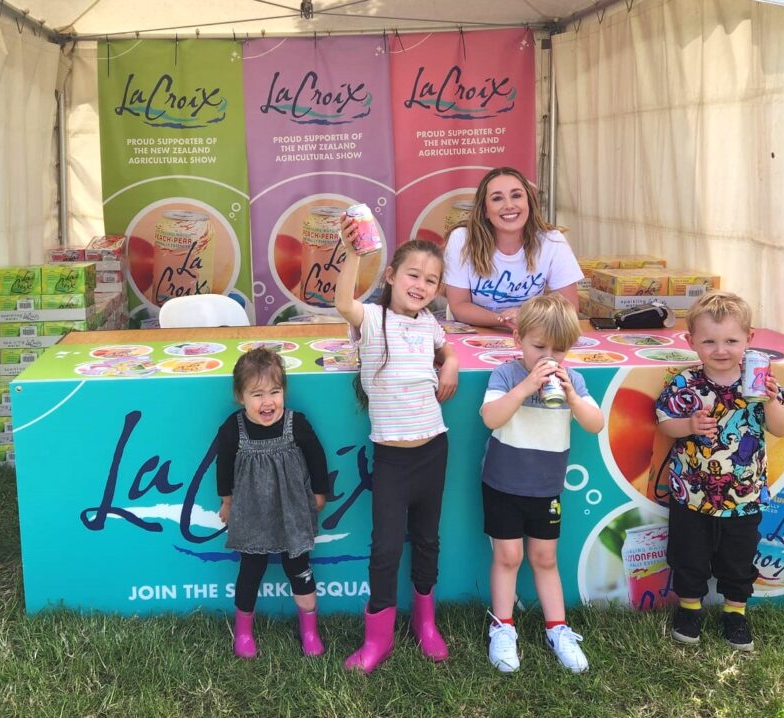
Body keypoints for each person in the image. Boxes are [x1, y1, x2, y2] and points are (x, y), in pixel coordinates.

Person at [334, 227, 459, 673]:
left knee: (427, 540)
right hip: (392, 458)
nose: (420, 285)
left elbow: (447, 350)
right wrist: (352, 254)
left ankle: (426, 624)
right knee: (385, 549)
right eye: (412, 274)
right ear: (390, 275)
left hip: (434, 450)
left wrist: (453, 365)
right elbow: (342, 303)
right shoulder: (370, 318)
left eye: (431, 280)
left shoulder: (429, 323)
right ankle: (378, 638)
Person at [655, 291, 784, 652]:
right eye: (709, 341)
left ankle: (736, 611)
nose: (721, 350)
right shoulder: (685, 384)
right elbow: (665, 423)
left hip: (744, 495)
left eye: (731, 340)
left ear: (749, 339)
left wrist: (773, 401)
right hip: (692, 493)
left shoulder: (760, 383)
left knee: (738, 557)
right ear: (691, 343)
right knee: (688, 555)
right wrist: (689, 426)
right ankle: (689, 609)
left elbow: (781, 429)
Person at [478, 293, 604, 674]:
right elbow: (490, 417)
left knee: (545, 558)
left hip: (546, 489)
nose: (549, 356)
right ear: (518, 341)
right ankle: (502, 628)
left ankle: (558, 629)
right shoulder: (506, 374)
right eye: (538, 347)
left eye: (559, 350)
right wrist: (526, 386)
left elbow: (595, 423)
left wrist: (570, 393)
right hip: (502, 484)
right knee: (508, 557)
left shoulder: (574, 380)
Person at [215, 348, 331, 659]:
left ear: (284, 392)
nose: (268, 402)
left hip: (292, 510)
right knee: (251, 568)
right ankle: (243, 632)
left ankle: (309, 629)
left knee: (299, 567)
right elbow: (223, 466)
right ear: (240, 397)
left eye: (275, 392)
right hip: (251, 512)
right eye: (257, 394)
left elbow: (317, 457)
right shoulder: (232, 429)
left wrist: (320, 493)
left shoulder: (297, 424)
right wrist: (227, 501)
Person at [444, 167, 583, 332]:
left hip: (532, 332)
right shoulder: (461, 239)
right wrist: (505, 320)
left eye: (516, 196)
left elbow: (570, 307)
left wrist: (527, 318)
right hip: (476, 333)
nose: (509, 205)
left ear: (529, 202)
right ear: (485, 210)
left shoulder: (552, 240)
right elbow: (459, 306)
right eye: (497, 199)